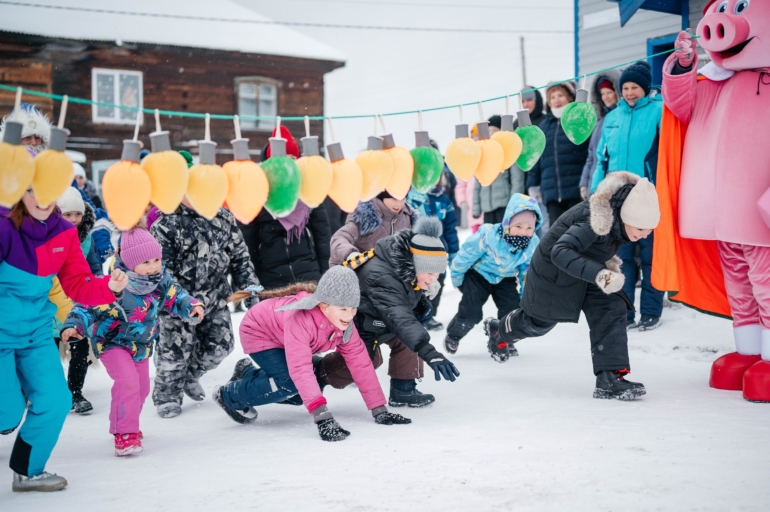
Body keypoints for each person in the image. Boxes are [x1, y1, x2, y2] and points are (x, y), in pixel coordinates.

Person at [485, 173, 660, 401]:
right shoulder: (594, 220)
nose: (645, 234)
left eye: (649, 229)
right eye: (641, 228)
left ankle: (610, 378)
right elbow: (560, 252)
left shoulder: (619, 218)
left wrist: (600, 273)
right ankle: (500, 331)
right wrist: (600, 274)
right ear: (626, 215)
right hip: (553, 272)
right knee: (539, 323)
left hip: (585, 269)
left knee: (611, 306)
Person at [0, 188, 125, 492]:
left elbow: (77, 283)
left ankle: (29, 472)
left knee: (56, 400)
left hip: (36, 332)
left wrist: (109, 287)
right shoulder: (3, 224)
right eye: (33, 190)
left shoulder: (64, 233)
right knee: (7, 411)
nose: (42, 198)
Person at [213, 266, 411, 440]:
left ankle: (247, 373)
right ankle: (229, 396)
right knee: (290, 384)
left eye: (353, 308)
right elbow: (300, 368)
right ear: (324, 307)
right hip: (259, 332)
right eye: (343, 309)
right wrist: (322, 417)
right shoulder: (301, 321)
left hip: (284, 337)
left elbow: (360, 364)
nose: (349, 315)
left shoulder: (345, 324)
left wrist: (379, 409)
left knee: (300, 396)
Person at [60, 227, 204, 456]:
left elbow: (176, 296)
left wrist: (191, 305)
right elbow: (86, 306)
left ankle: (127, 422)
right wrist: (74, 325)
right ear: (128, 261)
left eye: (157, 259)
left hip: (141, 344)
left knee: (142, 388)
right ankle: (124, 432)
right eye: (146, 261)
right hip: (111, 342)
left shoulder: (160, 280)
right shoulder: (114, 283)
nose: (154, 266)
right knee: (127, 382)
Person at [317, 217, 460, 408]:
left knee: (408, 338)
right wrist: (429, 353)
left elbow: (403, 303)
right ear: (417, 264)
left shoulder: (406, 268)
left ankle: (404, 389)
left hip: (381, 319)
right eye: (431, 274)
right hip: (359, 324)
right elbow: (399, 314)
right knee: (365, 363)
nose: (434, 280)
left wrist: (422, 304)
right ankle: (318, 372)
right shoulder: (381, 273)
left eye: (437, 275)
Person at [150, 181, 260, 418]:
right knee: (174, 354)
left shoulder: (223, 218)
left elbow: (240, 258)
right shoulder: (166, 224)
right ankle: (167, 394)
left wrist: (250, 291)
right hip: (176, 302)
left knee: (221, 345)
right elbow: (160, 271)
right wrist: (181, 300)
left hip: (214, 297)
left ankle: (191, 376)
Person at [591, 61, 664, 331]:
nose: (630, 92)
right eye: (625, 88)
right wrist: (598, 194)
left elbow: (667, 154)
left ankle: (651, 311)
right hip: (617, 197)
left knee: (650, 256)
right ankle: (625, 312)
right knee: (621, 257)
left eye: (634, 87)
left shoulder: (659, 111)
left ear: (645, 89)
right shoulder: (612, 118)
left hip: (648, 194)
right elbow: (601, 160)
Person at [445, 194, 542, 358]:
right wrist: (458, 278)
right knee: (471, 311)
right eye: (518, 226)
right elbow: (466, 255)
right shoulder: (489, 235)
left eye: (529, 228)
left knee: (512, 310)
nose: (523, 233)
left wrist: (525, 296)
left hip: (505, 278)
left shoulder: (531, 245)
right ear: (508, 223)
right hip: (478, 275)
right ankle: (454, 335)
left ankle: (503, 340)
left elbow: (528, 272)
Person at [240, 127, 331, 289]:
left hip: (308, 275)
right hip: (271, 278)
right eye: (282, 158)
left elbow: (322, 235)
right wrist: (253, 282)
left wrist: (326, 274)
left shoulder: (307, 191)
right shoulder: (258, 192)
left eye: (292, 158)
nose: (287, 164)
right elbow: (247, 241)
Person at [51, 187, 102, 415]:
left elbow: (93, 267)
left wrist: (99, 288)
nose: (73, 219)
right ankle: (50, 391)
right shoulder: (46, 237)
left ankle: (75, 392)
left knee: (80, 346)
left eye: (77, 214)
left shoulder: (86, 239)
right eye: (67, 214)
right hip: (49, 304)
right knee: (49, 352)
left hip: (76, 303)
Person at [527, 82, 590, 225]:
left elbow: (589, 153)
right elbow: (536, 157)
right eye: (552, 97)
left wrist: (587, 182)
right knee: (556, 236)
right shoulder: (543, 126)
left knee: (577, 232)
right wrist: (533, 184)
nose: (556, 100)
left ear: (569, 98)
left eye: (560, 95)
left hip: (576, 189)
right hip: (551, 192)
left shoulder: (577, 121)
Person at [406, 175, 459, 331]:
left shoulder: (444, 200)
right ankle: (413, 315)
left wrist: (454, 251)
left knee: (438, 282)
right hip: (418, 252)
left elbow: (450, 228)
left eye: (435, 174)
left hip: (439, 252)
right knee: (419, 282)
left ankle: (429, 314)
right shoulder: (410, 198)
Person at [329, 190, 415, 266]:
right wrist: (351, 254)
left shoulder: (406, 217)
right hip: (362, 273)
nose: (399, 204)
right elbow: (339, 238)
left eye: (403, 199)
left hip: (391, 275)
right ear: (382, 197)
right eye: (394, 199)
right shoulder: (365, 216)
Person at [472, 115, 526, 225]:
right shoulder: (482, 153)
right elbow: (477, 184)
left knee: (505, 235)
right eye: (489, 130)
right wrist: (476, 207)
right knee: (490, 237)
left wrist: (514, 203)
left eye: (495, 130)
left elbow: (517, 180)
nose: (491, 133)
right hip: (487, 206)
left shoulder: (508, 151)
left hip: (504, 205)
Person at [579, 70, 621, 200]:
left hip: (614, 184)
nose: (606, 97)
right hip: (596, 183)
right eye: (602, 93)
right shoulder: (599, 122)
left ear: (617, 92)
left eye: (609, 92)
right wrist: (585, 183)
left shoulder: (621, 119)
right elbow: (592, 156)